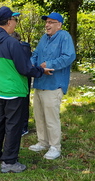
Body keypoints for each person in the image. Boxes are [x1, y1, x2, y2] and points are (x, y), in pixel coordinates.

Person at [0, 6, 54, 173]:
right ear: (9, 22)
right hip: (15, 91)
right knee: (13, 127)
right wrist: (40, 71)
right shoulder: (12, 43)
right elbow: (25, 69)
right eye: (14, 20)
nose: (15, 23)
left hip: (0, 90)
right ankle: (9, 161)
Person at [28, 12, 76, 160]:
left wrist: (49, 64)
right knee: (39, 115)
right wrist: (31, 64)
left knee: (51, 118)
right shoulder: (44, 38)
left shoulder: (64, 36)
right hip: (40, 82)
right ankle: (43, 142)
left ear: (59, 25)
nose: (47, 25)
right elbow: (35, 54)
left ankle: (55, 147)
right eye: (47, 22)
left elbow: (69, 56)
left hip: (54, 85)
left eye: (51, 22)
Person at [0, 32, 30, 137]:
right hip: (4, 85)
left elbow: (25, 68)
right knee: (5, 116)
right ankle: (0, 148)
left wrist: (38, 71)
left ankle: (23, 127)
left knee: (19, 108)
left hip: (17, 86)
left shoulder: (22, 48)